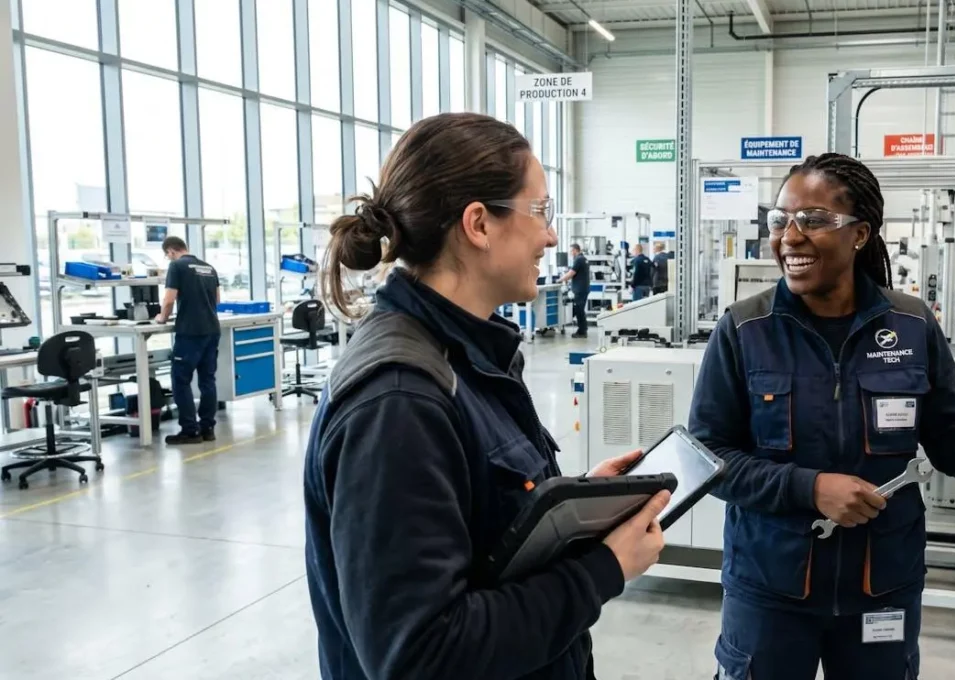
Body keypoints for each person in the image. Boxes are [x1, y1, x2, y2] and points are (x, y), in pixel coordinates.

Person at [687, 153, 955, 680]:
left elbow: (954, 445)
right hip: (771, 586)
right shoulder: (745, 330)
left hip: (880, 584)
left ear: (860, 234)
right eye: (780, 220)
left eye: (812, 220)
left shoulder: (910, 327)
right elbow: (709, 459)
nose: (789, 237)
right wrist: (810, 488)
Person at [302, 113, 670, 680]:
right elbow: (421, 656)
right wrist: (603, 568)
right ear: (478, 223)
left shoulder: (469, 356)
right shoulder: (400, 401)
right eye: (541, 212)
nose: (550, 236)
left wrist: (569, 510)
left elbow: (478, 535)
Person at [156, 236, 221, 445]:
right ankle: (208, 428)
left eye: (167, 255)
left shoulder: (176, 266)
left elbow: (168, 299)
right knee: (207, 380)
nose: (169, 258)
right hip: (212, 329)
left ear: (171, 251)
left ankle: (189, 430)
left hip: (191, 332)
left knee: (181, 380)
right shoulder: (209, 268)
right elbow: (217, 300)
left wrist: (162, 318)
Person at [562, 243, 591, 337]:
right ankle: (583, 329)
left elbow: (571, 273)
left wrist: (559, 280)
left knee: (579, 310)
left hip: (580, 290)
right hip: (583, 289)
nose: (570, 253)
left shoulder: (578, 260)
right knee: (579, 310)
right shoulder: (584, 259)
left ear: (575, 250)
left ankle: (582, 332)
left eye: (571, 251)